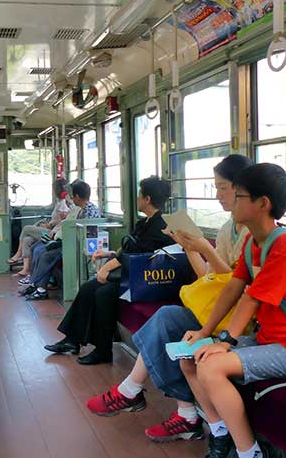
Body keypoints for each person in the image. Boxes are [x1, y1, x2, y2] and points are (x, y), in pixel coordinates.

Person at [84, 154, 254, 442]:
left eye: (222, 187)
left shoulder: (255, 232)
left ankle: (140, 395)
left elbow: (240, 287)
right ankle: (170, 407)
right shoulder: (228, 229)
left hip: (239, 318)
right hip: (219, 308)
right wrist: (190, 248)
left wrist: (207, 249)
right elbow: (208, 280)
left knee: (168, 325)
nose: (218, 195)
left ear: (242, 189)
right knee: (164, 317)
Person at [179, 163, 286, 458]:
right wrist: (204, 332)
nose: (230, 200)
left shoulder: (284, 244)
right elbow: (233, 289)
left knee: (211, 366)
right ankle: (221, 433)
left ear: (263, 203)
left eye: (239, 195)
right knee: (189, 355)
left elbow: (252, 300)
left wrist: (225, 342)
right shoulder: (252, 244)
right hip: (267, 339)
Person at [44, 176, 174, 365]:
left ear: (147, 199)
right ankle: (72, 340)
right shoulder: (144, 223)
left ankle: (103, 351)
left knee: (103, 294)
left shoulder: (159, 226)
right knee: (89, 288)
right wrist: (109, 253)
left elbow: (140, 255)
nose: (137, 198)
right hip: (134, 274)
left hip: (147, 280)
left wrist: (107, 268)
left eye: (139, 195)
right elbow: (132, 249)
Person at [21, 179, 101, 300]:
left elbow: (85, 233)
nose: (71, 199)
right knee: (40, 249)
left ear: (77, 196)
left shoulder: (89, 211)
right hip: (70, 242)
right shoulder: (82, 208)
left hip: (75, 246)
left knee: (46, 255)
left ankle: (41, 289)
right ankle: (35, 285)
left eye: (72, 196)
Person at [8, 179, 72, 276]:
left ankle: (18, 253)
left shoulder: (63, 204)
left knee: (26, 229)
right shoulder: (60, 202)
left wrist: (49, 225)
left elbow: (60, 221)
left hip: (49, 233)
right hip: (49, 229)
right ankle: (26, 270)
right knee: (27, 240)